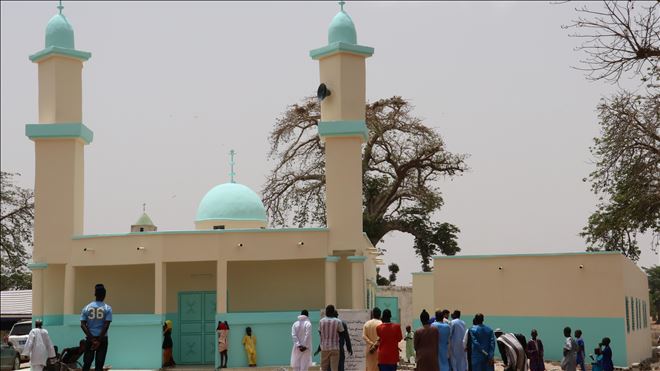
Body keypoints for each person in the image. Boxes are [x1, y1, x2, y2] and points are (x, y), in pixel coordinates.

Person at [80, 283, 112, 371]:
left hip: (90, 339)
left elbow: (82, 325)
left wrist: (92, 340)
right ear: (104, 295)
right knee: (99, 364)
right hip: (102, 339)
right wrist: (98, 341)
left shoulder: (86, 307)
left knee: (87, 363)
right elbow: (106, 325)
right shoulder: (107, 308)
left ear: (95, 294)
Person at [319, 304, 344, 371]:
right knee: (334, 368)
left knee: (323, 368)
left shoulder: (321, 321)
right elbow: (342, 333)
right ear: (333, 312)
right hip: (335, 348)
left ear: (326, 312)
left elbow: (320, 333)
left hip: (324, 348)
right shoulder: (338, 321)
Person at [363, 307, 382, 371]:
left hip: (369, 350)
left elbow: (364, 336)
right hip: (379, 349)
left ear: (372, 314)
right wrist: (375, 345)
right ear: (380, 315)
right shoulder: (381, 324)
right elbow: (381, 337)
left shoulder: (367, 324)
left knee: (369, 367)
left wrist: (371, 344)